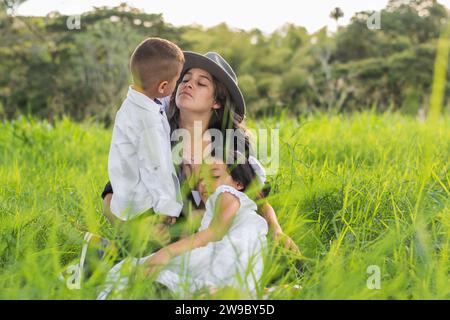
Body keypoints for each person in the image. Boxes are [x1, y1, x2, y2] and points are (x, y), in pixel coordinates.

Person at [101, 51, 299, 254]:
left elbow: (256, 198)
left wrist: (276, 229)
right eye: (185, 79)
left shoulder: (230, 146)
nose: (188, 84)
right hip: (159, 243)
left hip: (211, 245)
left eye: (201, 83)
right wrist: (133, 229)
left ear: (217, 101)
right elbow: (112, 194)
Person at [98, 150, 269, 299]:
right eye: (200, 179)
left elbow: (213, 233)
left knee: (137, 268)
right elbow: (195, 243)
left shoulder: (227, 194)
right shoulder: (210, 212)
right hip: (236, 266)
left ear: (238, 183)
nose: (204, 184)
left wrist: (165, 253)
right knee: (172, 276)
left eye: (215, 176)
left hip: (231, 257)